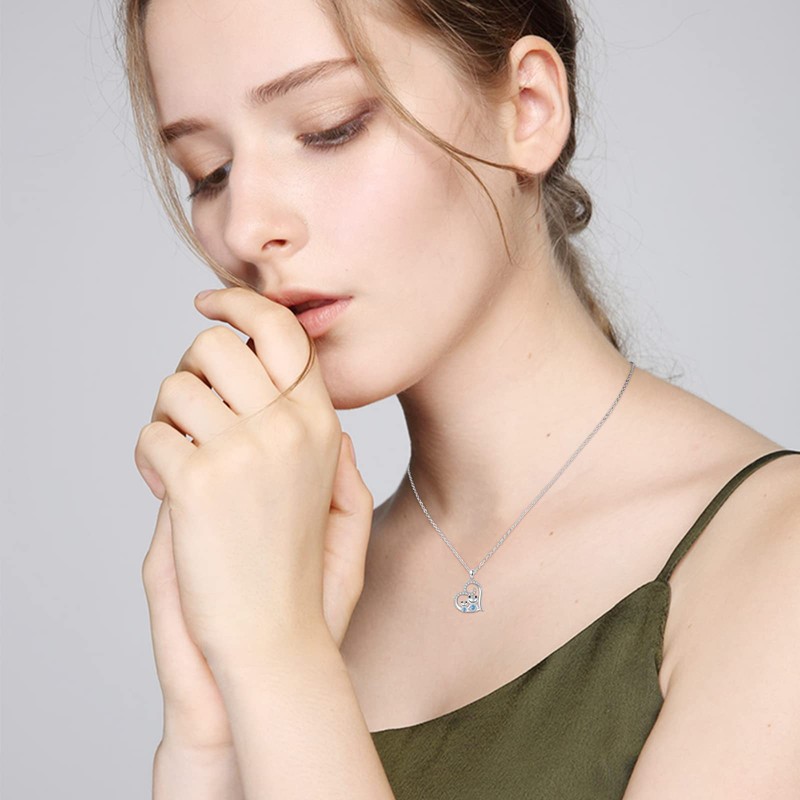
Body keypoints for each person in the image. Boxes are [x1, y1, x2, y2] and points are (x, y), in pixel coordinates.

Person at [125, 0, 800, 797]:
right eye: (210, 172)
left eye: (329, 128)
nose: (245, 228)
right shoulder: (288, 576)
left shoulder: (772, 560)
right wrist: (203, 737)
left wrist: (279, 657)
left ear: (528, 109)